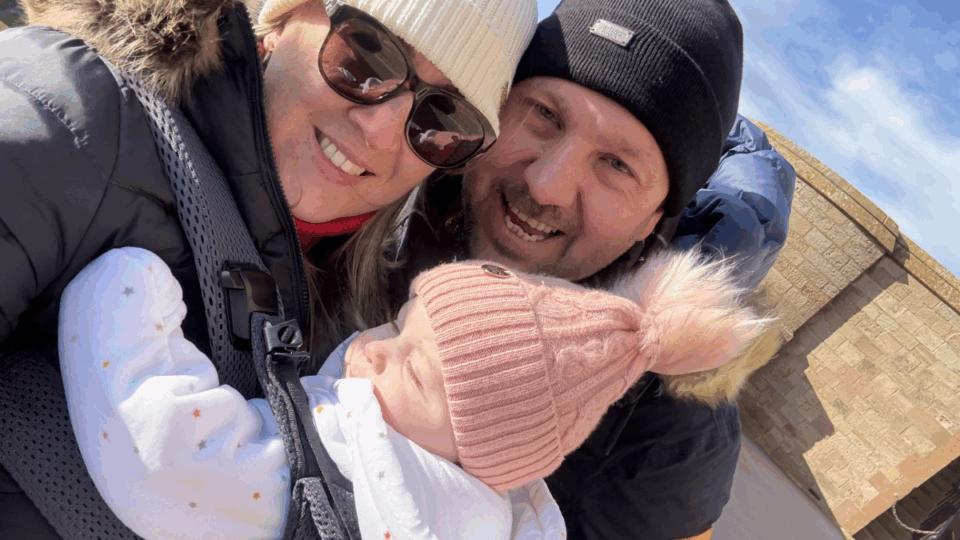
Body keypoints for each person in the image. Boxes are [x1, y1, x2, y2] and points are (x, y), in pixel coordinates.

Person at [0, 0, 537, 536]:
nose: (379, 129)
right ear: (284, 19)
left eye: (443, 120)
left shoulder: (364, 331)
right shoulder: (79, 113)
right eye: (366, 56)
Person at [373, 0, 797, 538]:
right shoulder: (382, 189)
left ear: (654, 221)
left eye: (617, 164)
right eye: (545, 115)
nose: (545, 184)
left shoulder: (671, 439)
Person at [58, 245, 765, 539]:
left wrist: (131, 283)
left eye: (416, 372)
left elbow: (165, 457)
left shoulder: (357, 473)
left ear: (474, 451)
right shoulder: (493, 516)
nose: (374, 348)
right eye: (399, 326)